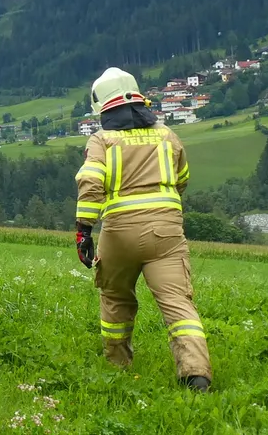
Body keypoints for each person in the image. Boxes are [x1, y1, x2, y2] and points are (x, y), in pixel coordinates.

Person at [74, 67, 212, 392]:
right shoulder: (168, 136)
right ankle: (196, 373)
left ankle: (117, 365)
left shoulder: (102, 140)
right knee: (178, 302)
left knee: (115, 297)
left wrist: (84, 231)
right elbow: (182, 179)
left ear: (104, 108)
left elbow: (91, 183)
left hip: (119, 233)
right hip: (166, 233)